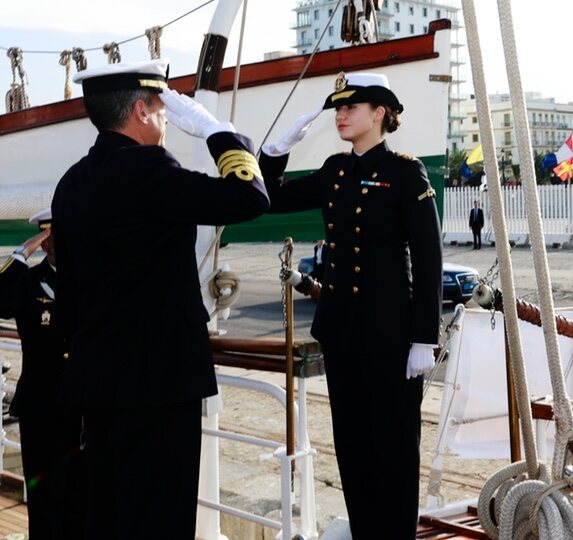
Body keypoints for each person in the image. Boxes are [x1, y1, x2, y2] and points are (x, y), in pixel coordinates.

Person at [51, 59, 269, 538]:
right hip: (161, 388)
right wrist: (218, 132)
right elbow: (250, 196)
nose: (170, 117)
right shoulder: (151, 172)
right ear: (140, 110)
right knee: (161, 519)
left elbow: (66, 298)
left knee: (109, 515)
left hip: (99, 384)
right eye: (163, 106)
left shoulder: (71, 184)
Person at [259, 72, 442, 539]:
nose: (340, 114)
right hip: (341, 335)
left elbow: (427, 257)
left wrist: (424, 336)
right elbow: (269, 197)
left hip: (391, 338)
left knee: (395, 452)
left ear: (380, 112)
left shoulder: (405, 172)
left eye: (351, 107)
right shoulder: (334, 171)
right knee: (354, 449)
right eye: (337, 108)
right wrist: (275, 153)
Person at [0, 210, 83, 539]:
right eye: (50, 238)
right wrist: (22, 253)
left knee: (80, 489)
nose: (58, 244)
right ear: (45, 241)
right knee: (43, 488)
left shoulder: (88, 279)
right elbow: (1, 303)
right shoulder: (28, 281)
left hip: (82, 403)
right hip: (40, 405)